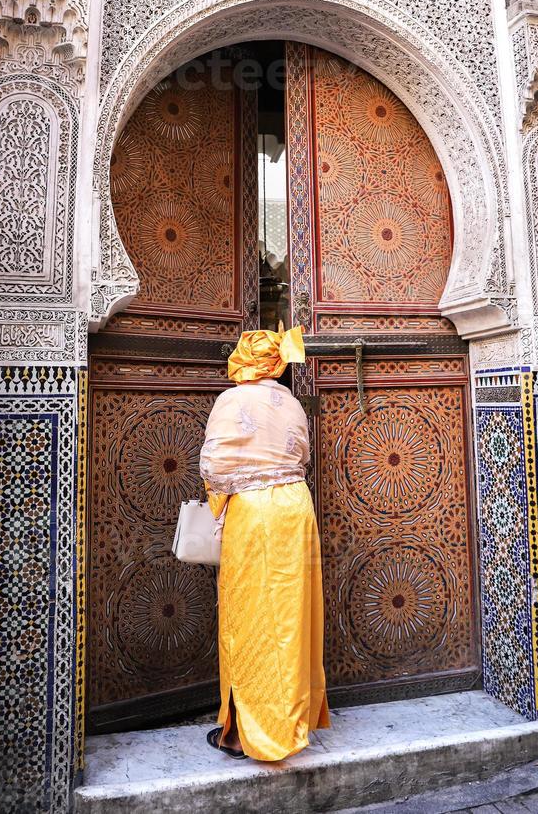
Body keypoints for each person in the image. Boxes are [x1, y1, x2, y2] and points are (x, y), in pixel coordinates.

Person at [200, 323, 330, 761]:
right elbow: (302, 459)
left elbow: (215, 468)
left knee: (249, 619)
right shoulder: (292, 402)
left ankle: (245, 733)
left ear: (242, 359)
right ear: (274, 364)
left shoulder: (230, 400)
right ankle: (291, 720)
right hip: (296, 510)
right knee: (290, 617)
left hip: (253, 515)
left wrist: (217, 507)